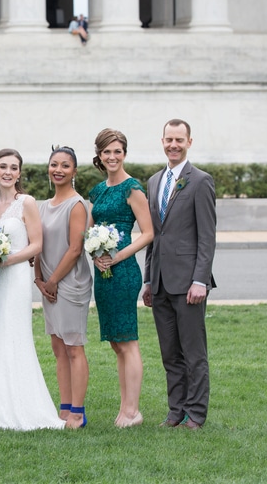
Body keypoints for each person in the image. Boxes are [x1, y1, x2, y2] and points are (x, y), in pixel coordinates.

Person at [0, 149, 64, 431]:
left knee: (15, 336)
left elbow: (36, 244)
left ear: (19, 173)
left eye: (13, 168)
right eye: (2, 166)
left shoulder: (26, 202)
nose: (7, 172)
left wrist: (5, 260)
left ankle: (26, 408)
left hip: (15, 278)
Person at [143, 119, 217, 431]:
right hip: (159, 282)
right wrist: (148, 279)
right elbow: (153, 236)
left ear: (189, 141)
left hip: (189, 283)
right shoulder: (153, 181)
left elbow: (207, 236)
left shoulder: (200, 181)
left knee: (193, 353)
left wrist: (200, 279)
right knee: (170, 353)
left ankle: (196, 415)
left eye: (179, 140)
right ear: (162, 141)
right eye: (169, 139)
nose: (174, 145)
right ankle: (176, 412)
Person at [88, 128, 154, 428]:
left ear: (124, 153)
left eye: (117, 151)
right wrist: (95, 254)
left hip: (123, 271)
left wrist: (117, 256)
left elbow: (149, 233)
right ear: (99, 156)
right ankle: (125, 406)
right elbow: (88, 232)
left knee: (128, 341)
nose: (112, 156)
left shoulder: (132, 188)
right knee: (116, 342)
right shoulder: (98, 190)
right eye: (107, 152)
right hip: (101, 272)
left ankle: (132, 411)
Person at [34, 146, 93, 430]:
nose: (58, 169)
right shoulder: (43, 205)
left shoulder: (77, 205)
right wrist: (39, 279)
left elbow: (74, 248)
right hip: (48, 285)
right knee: (58, 347)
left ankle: (78, 413)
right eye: (54, 164)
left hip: (70, 284)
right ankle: (65, 407)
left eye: (65, 165)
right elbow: (37, 246)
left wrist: (54, 280)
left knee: (73, 347)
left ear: (74, 172)